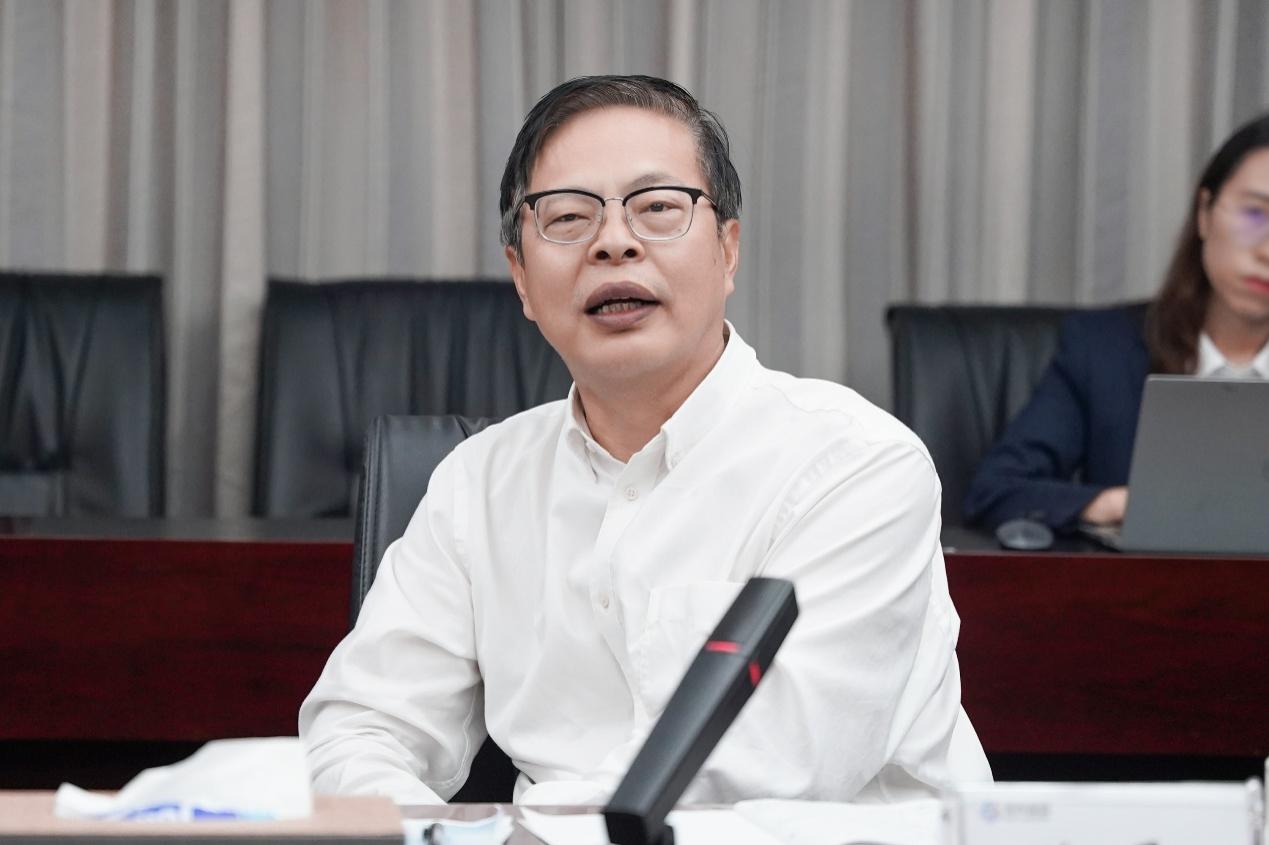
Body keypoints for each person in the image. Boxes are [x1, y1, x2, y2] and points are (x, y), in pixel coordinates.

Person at [300, 75, 988, 806]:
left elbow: (765, 773)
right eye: (568, 216)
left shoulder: (856, 466)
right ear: (521, 278)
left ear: (727, 251)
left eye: (657, 207)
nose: (613, 242)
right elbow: (360, 729)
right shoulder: (478, 482)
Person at [965, 112, 1269, 532]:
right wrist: (1114, 504)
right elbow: (996, 491)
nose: (1266, 251)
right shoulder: (1103, 349)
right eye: (1256, 214)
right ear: (1205, 212)